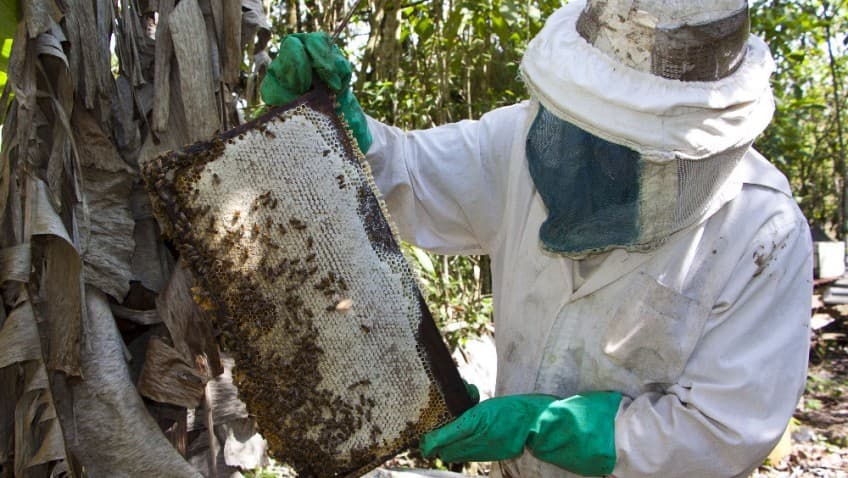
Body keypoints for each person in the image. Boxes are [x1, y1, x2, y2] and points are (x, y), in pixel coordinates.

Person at [261, 1, 813, 476]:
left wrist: (545, 425)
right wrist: (339, 129)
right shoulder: (524, 138)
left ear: (688, 154)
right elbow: (411, 176)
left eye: (625, 148)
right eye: (586, 136)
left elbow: (725, 430)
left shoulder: (763, 232)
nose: (596, 162)